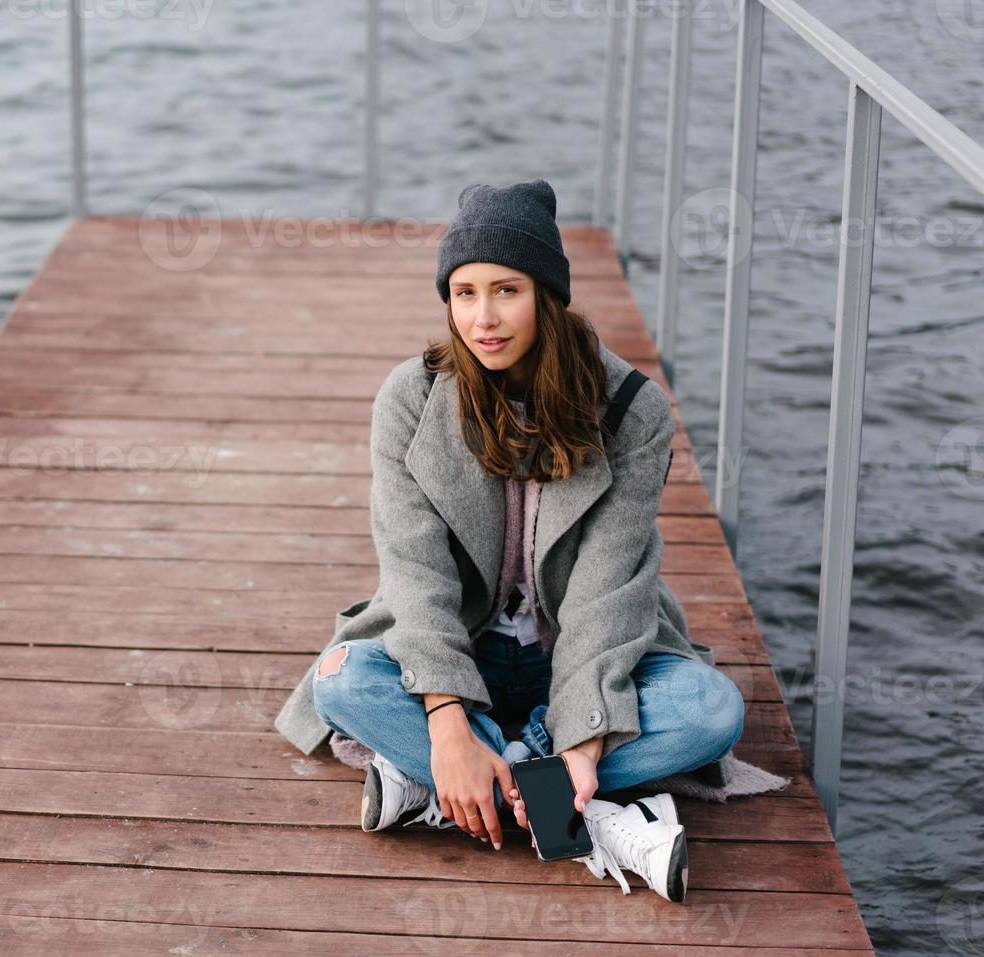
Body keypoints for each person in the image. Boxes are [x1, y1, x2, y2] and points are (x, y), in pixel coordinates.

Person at [271, 179, 746, 903]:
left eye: (506, 291)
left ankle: (446, 788)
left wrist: (584, 736)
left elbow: (609, 589)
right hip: (458, 652)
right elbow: (414, 575)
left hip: (580, 654)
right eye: (463, 293)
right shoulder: (414, 397)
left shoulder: (629, 411)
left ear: (547, 295)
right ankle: (588, 811)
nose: (483, 319)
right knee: (342, 680)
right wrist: (447, 719)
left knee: (711, 710)